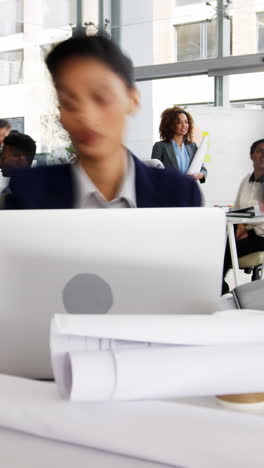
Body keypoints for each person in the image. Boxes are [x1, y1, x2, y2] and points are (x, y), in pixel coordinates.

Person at [5, 34, 201, 210]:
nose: (86, 117)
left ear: (132, 100)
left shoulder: (179, 195)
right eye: (69, 103)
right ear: (60, 114)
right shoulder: (28, 193)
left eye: (101, 98)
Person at [222, 139, 264, 294]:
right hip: (243, 229)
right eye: (259, 151)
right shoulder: (246, 180)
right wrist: (240, 226)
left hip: (261, 235)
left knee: (223, 252)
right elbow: (238, 208)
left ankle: (222, 291)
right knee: (214, 245)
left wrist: (245, 226)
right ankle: (220, 289)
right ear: (252, 155)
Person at [151, 106, 207, 183]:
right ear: (170, 124)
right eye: (179, 122)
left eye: (186, 122)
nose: (184, 125)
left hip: (189, 190)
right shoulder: (160, 146)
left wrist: (198, 176)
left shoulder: (192, 146)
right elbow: (153, 174)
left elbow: (203, 169)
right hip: (169, 192)